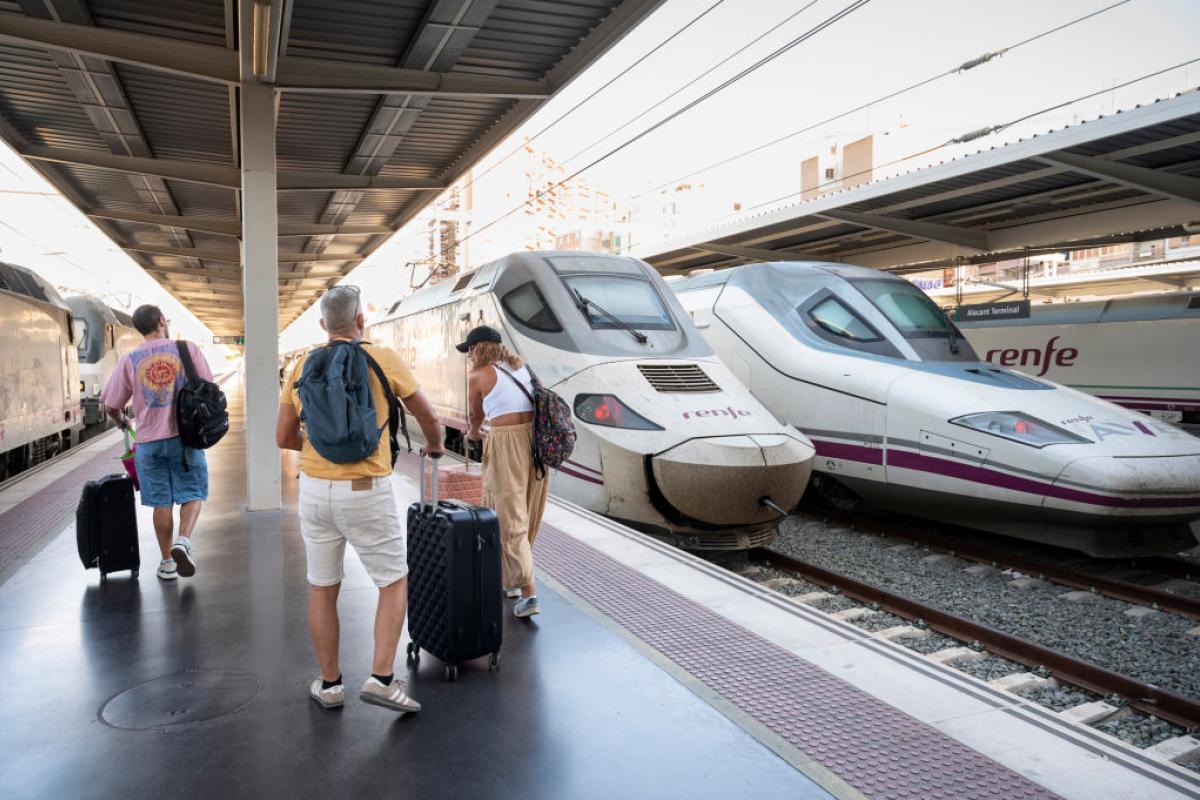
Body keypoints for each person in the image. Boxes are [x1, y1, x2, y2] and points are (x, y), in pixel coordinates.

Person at [276, 285, 445, 714]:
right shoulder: (382, 358)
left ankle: (330, 684)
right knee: (392, 581)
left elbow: (283, 436)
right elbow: (427, 415)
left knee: (322, 587)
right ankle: (382, 678)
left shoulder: (300, 365)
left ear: (322, 325)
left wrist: (320, 445)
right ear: (361, 320)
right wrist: (436, 445)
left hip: (313, 490)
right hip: (365, 490)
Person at [101, 305, 212, 582]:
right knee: (193, 493)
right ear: (162, 321)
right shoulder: (187, 350)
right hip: (185, 438)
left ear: (140, 328)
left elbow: (111, 404)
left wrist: (122, 422)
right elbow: (209, 386)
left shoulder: (131, 360)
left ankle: (166, 564)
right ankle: (182, 541)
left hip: (149, 443)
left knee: (161, 503)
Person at [461, 325, 549, 619]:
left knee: (509, 516)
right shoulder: (522, 367)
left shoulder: (478, 375)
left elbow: (475, 418)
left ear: (478, 349)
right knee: (526, 510)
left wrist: (473, 433)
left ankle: (529, 593)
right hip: (535, 443)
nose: (469, 356)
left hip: (506, 442)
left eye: (470, 350)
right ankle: (513, 579)